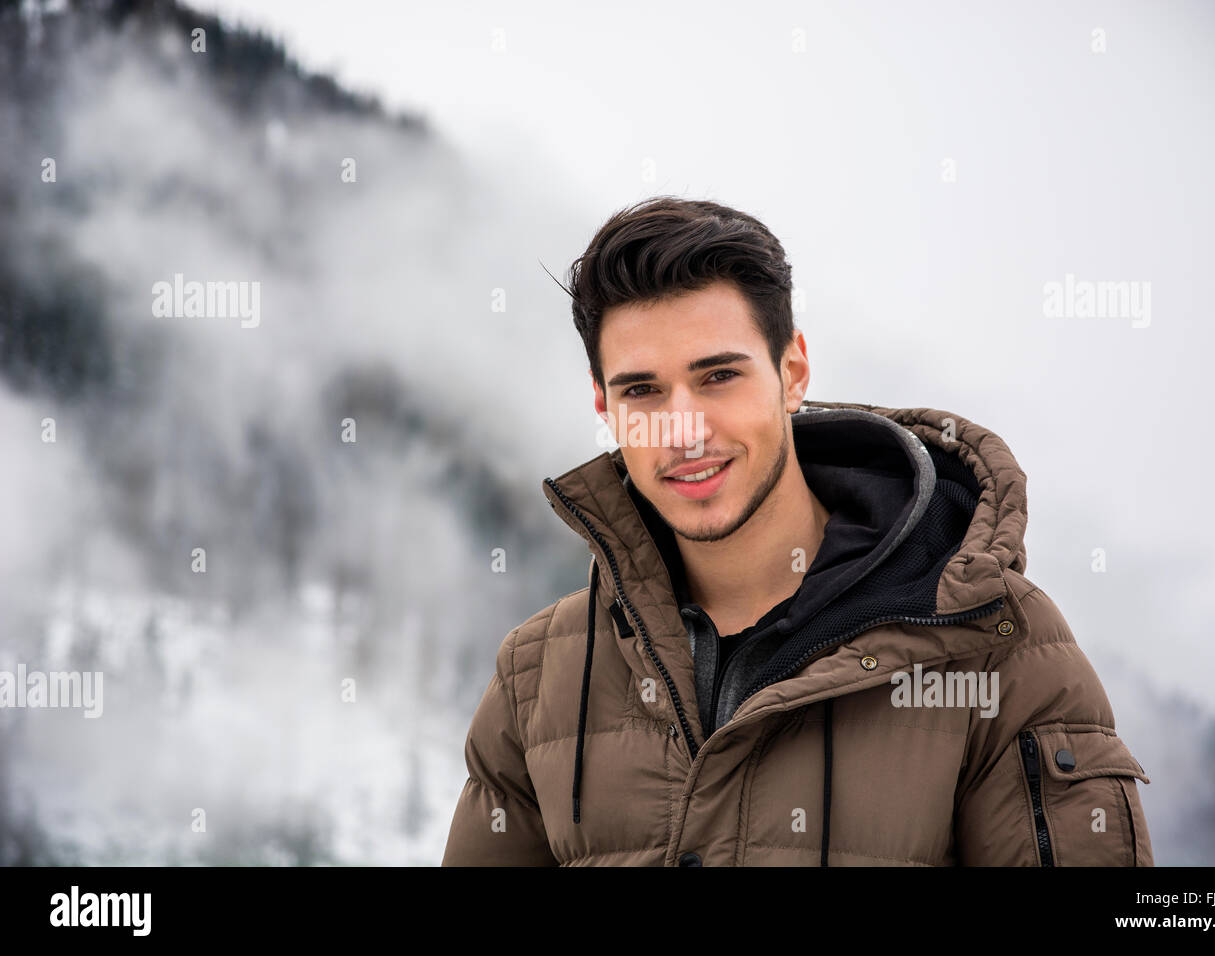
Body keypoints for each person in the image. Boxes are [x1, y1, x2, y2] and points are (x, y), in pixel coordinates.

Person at [441, 196, 1153, 866]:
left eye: (718, 376)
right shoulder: (538, 677)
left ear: (792, 372)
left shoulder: (1001, 650)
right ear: (604, 404)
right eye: (643, 391)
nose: (684, 431)